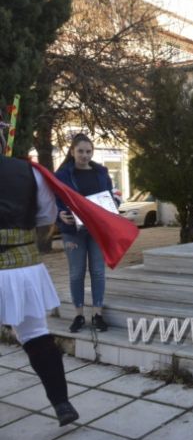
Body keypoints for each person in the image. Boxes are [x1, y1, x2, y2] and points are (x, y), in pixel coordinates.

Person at [0, 130, 79, 426]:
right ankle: (61, 404)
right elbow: (46, 217)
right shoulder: (30, 171)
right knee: (36, 335)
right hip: (23, 266)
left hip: (20, 268)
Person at [55, 134, 114, 332]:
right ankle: (79, 315)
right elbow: (53, 201)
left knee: (98, 272)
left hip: (97, 230)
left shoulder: (101, 172)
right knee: (76, 273)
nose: (84, 155)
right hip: (73, 231)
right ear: (72, 151)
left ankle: (97, 314)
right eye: (80, 151)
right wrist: (59, 214)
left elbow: (111, 197)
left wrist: (113, 205)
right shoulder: (62, 175)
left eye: (88, 151)